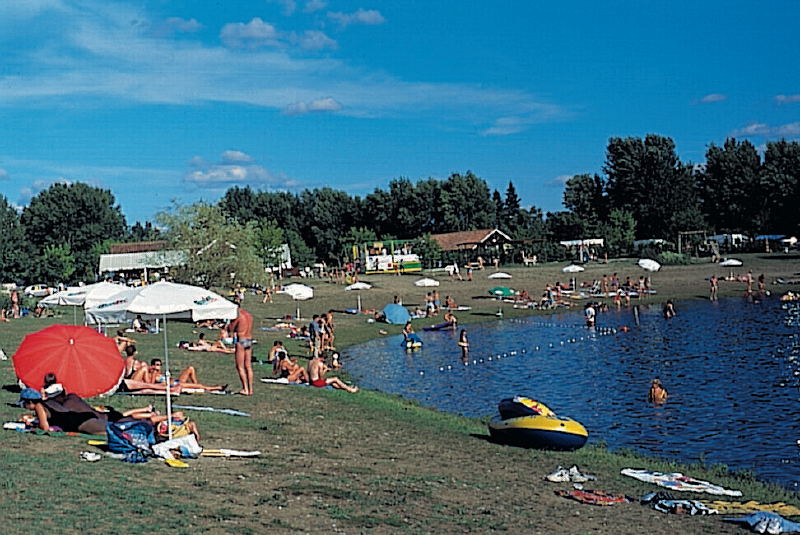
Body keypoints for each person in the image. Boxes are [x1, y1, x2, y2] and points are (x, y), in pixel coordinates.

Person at [130, 359, 226, 392]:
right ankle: (216, 388)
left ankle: (196, 385)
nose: (158, 367)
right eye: (157, 365)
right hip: (173, 385)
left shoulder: (158, 373)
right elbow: (151, 384)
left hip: (175, 381)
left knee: (190, 368)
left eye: (159, 365)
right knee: (199, 386)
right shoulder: (152, 374)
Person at [228, 308, 254, 395]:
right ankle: (250, 389)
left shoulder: (238, 316)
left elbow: (231, 329)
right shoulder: (249, 315)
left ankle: (245, 388)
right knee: (248, 366)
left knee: (240, 366)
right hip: (249, 339)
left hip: (241, 340)